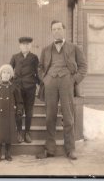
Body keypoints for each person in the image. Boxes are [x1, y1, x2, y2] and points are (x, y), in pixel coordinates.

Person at [36, 20, 87, 160]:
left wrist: (73, 80)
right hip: (50, 83)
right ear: (51, 31)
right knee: (50, 117)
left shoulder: (74, 48)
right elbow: (40, 67)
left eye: (59, 28)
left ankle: (70, 149)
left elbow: (83, 67)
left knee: (68, 116)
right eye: (54, 29)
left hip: (67, 82)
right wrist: (45, 80)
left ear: (64, 30)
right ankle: (50, 149)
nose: (56, 31)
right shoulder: (46, 50)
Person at [0, 64, 23, 162]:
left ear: (10, 75)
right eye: (4, 72)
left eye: (8, 73)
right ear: (0, 74)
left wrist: (19, 110)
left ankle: (7, 152)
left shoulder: (14, 87)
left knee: (8, 133)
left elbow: (19, 101)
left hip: (10, 114)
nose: (6, 75)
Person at [10, 37, 40, 143]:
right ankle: (19, 132)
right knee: (18, 110)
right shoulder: (15, 57)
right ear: (20, 46)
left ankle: (27, 133)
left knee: (29, 111)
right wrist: (10, 85)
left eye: (27, 44)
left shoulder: (34, 57)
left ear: (30, 46)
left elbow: (38, 72)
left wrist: (40, 84)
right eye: (23, 44)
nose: (25, 46)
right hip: (17, 88)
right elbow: (10, 71)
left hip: (30, 88)